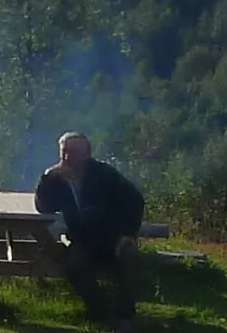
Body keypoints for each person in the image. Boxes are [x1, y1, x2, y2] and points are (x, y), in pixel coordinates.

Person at [34, 132, 144, 332]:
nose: (67, 157)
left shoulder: (104, 174)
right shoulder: (58, 177)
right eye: (64, 152)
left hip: (112, 238)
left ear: (87, 154)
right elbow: (44, 207)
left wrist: (128, 234)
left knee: (129, 258)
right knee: (75, 265)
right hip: (83, 240)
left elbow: (135, 200)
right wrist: (47, 178)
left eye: (74, 152)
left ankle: (126, 317)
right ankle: (104, 313)